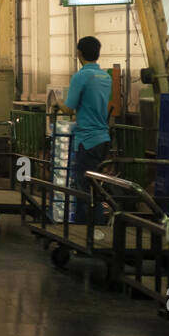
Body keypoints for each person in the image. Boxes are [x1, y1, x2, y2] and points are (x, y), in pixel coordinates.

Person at [54, 36, 112, 226]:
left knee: (83, 189)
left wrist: (56, 102)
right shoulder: (106, 77)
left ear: (79, 53)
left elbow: (69, 109)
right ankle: (88, 228)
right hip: (103, 139)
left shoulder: (81, 76)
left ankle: (91, 231)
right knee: (94, 187)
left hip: (87, 140)